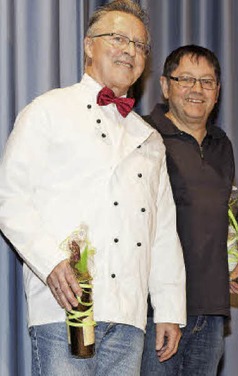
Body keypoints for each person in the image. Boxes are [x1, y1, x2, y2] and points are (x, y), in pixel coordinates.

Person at [0, 1, 186, 375]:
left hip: (129, 316)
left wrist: (168, 309)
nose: (130, 50)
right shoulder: (47, 111)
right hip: (65, 308)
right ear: (89, 46)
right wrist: (51, 263)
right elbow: (10, 198)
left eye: (139, 45)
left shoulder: (149, 139)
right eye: (118, 38)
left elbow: (162, 230)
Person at [140, 45, 238, 376]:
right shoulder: (143, 136)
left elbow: (217, 215)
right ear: (165, 85)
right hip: (155, 310)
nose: (197, 89)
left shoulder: (222, 144)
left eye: (207, 81)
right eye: (186, 79)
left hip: (212, 308)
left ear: (217, 92)